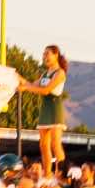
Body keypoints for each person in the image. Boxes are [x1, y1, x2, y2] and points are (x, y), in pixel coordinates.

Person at [19, 46, 70, 175]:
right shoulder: (45, 74)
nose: (45, 57)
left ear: (56, 55)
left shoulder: (60, 73)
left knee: (55, 144)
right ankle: (47, 174)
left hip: (54, 108)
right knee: (43, 145)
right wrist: (17, 77)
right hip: (45, 109)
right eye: (43, 54)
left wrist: (26, 88)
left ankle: (62, 174)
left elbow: (46, 90)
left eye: (47, 54)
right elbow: (32, 85)